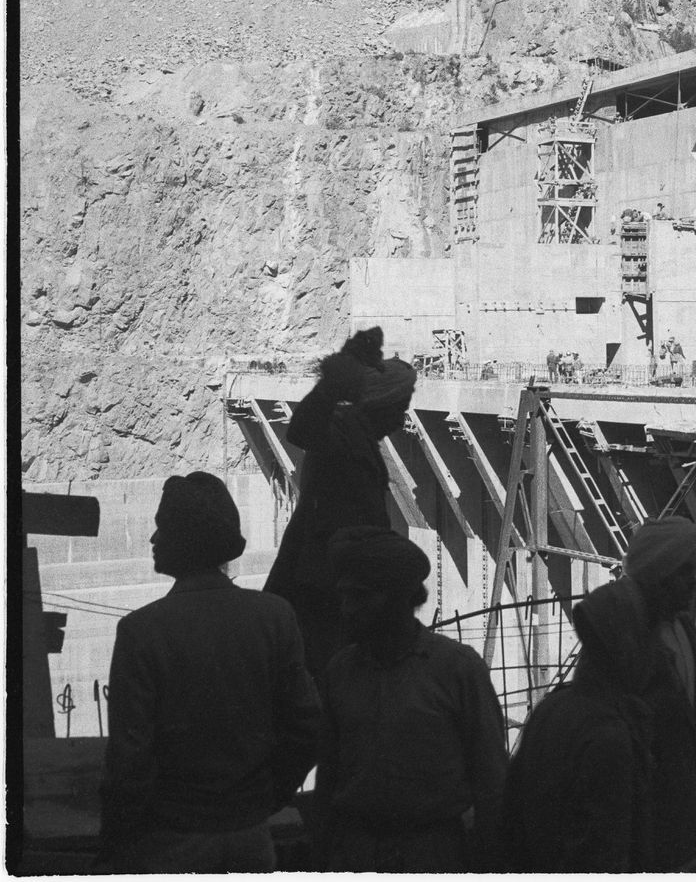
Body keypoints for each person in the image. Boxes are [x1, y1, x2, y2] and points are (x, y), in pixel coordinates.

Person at [98, 473, 320, 873]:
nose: (153, 539)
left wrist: (116, 840)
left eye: (162, 528)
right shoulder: (273, 617)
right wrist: (266, 799)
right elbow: (305, 726)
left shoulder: (142, 631)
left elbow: (130, 758)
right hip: (252, 836)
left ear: (184, 540)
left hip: (171, 842)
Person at [315, 527, 508, 871]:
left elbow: (491, 779)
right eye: (344, 596)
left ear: (401, 598)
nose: (347, 609)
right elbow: (329, 772)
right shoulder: (340, 671)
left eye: (360, 597)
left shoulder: (457, 670)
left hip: (434, 854)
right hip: (356, 853)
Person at [265, 327, 417, 683]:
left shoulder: (358, 436)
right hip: (326, 589)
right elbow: (301, 430)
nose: (401, 418)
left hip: (337, 586)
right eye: (399, 407)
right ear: (380, 404)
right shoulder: (341, 431)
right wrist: (333, 385)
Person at [501, 578, 657, 871]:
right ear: (627, 648)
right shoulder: (609, 736)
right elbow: (606, 854)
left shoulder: (552, 707)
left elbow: (511, 814)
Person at [624, 517, 696, 868]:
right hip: (641, 797)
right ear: (661, 576)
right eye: (684, 573)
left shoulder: (686, 631)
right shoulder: (628, 641)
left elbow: (685, 721)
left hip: (680, 787)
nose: (694, 583)